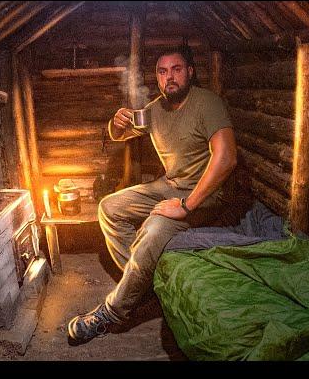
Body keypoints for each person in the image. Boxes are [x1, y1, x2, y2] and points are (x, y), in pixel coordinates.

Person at [67, 46, 238, 343]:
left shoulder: (207, 103)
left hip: (206, 194)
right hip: (171, 184)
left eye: (176, 69)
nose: (169, 77)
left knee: (153, 227)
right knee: (109, 207)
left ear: (190, 72)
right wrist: (115, 124)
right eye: (162, 71)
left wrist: (186, 206)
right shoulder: (155, 110)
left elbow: (226, 158)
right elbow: (120, 134)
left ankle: (112, 312)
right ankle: (146, 284)